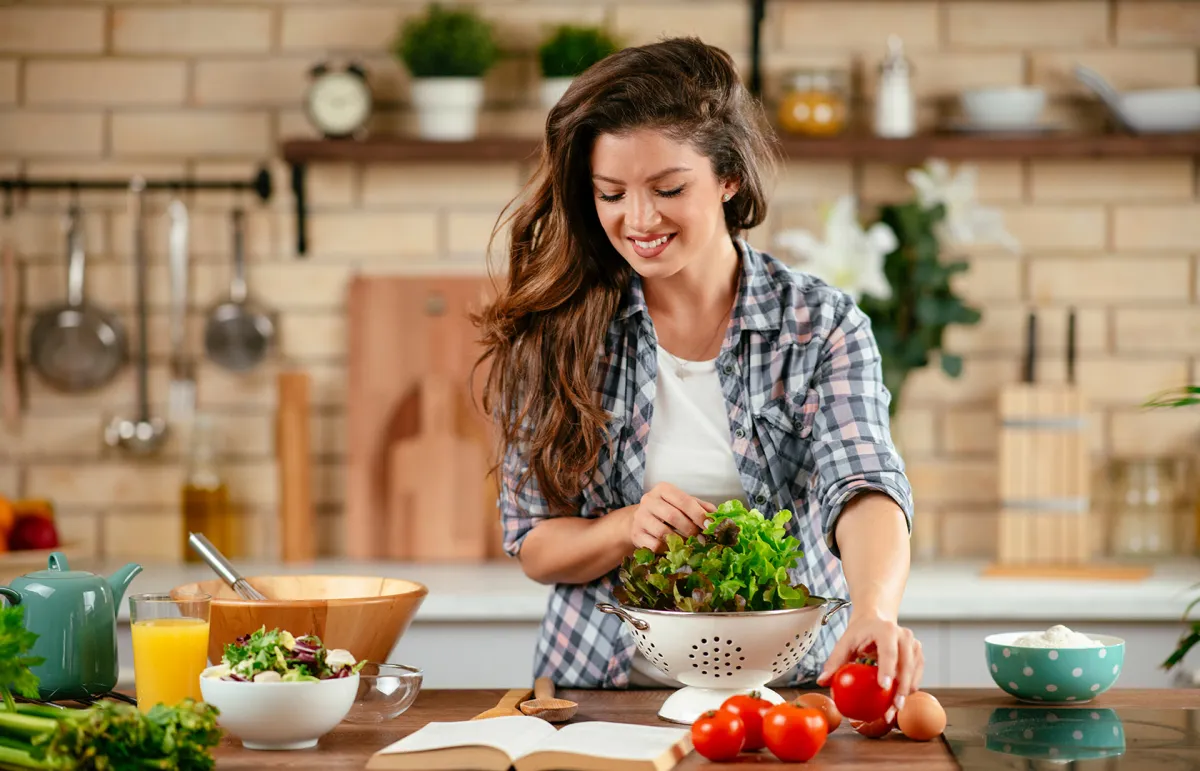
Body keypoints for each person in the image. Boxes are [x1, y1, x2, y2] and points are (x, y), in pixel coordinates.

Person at [474, 36, 921, 717]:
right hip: (598, 697)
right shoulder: (559, 328)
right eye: (611, 193)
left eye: (669, 188)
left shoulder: (821, 325)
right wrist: (626, 525)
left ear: (729, 177)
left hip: (790, 695)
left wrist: (876, 609)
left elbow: (861, 482)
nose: (639, 219)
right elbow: (536, 541)